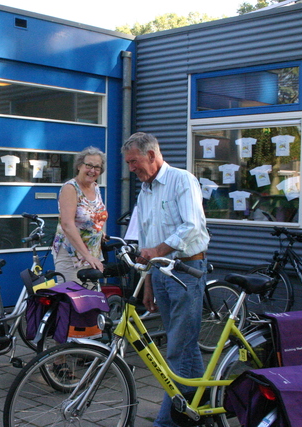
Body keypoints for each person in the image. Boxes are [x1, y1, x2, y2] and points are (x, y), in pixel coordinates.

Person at [122, 132, 210, 427]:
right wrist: (148, 282)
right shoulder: (144, 191)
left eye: (134, 162)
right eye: (128, 163)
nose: (131, 169)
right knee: (185, 345)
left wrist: (158, 251)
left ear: (151, 154)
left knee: (177, 348)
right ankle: (201, 405)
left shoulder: (182, 180)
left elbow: (192, 225)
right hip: (160, 274)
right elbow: (146, 237)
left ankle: (168, 421)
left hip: (186, 272)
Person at [52, 147, 108, 284]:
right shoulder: (70, 188)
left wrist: (100, 232)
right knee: (73, 302)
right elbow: (67, 224)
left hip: (93, 256)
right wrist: (87, 256)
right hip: (72, 257)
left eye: (97, 167)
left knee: (91, 301)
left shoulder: (95, 187)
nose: (92, 171)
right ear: (79, 166)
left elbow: (94, 216)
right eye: (88, 165)